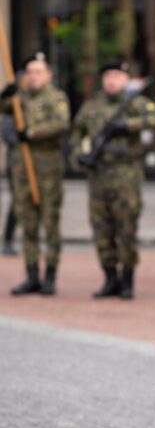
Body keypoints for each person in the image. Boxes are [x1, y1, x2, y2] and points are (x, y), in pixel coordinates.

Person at [70, 61, 155, 300]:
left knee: (126, 229)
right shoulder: (93, 104)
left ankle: (127, 280)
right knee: (101, 229)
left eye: (117, 76)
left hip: (125, 175)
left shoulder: (135, 103)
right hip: (98, 175)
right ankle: (109, 278)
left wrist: (127, 124)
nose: (112, 80)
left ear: (125, 79)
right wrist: (78, 155)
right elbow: (76, 132)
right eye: (108, 76)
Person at [1, 53, 69, 296]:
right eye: (30, 72)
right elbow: (4, 108)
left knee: (50, 224)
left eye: (38, 72)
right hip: (23, 168)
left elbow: (61, 123)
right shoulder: (20, 98)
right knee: (27, 224)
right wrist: (5, 94)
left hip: (47, 169)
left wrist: (30, 132)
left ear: (48, 74)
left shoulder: (55, 97)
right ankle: (31, 275)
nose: (33, 76)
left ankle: (50, 275)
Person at [1, 111, 18, 255]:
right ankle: (8, 239)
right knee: (17, 201)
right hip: (15, 165)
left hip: (36, 165)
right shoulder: (11, 110)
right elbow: (7, 134)